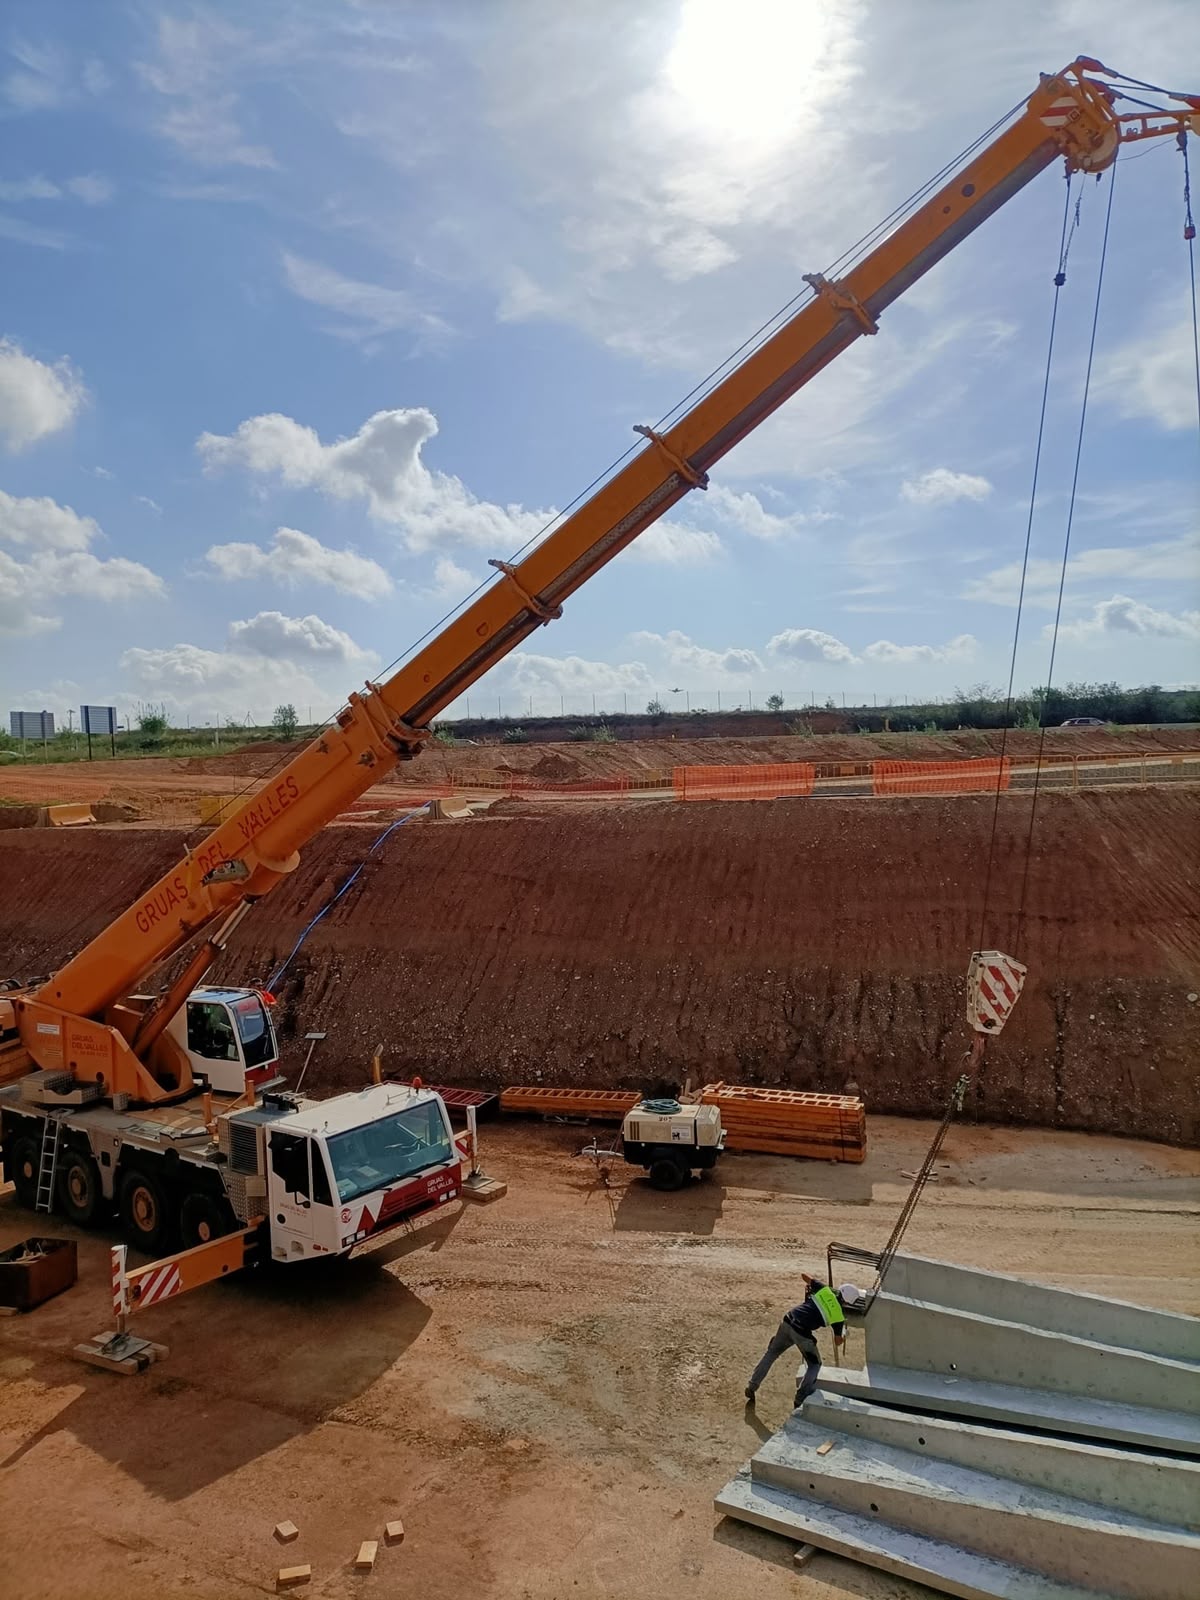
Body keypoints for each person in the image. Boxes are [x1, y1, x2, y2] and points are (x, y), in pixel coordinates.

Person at [745, 1273, 847, 1409]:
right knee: (814, 1365)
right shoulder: (839, 1317)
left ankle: (752, 1386)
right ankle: (800, 1398)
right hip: (802, 1333)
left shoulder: (825, 1290)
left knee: (771, 1353)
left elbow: (804, 1276)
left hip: (788, 1320)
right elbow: (838, 1342)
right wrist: (843, 1335)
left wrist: (812, 1287)